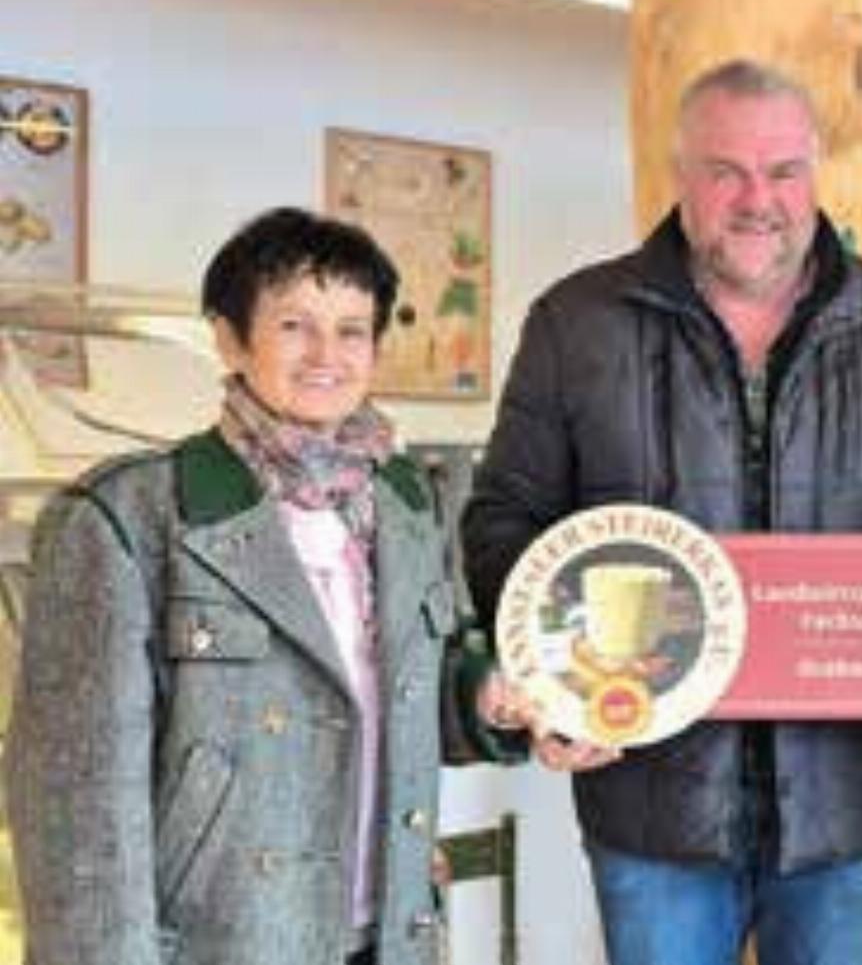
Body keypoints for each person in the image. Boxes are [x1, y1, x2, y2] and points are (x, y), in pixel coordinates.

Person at [460, 59, 862, 965]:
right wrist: (551, 677)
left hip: (848, 810)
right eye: (726, 171)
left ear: (817, 175)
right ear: (681, 175)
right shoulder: (576, 321)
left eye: (784, 171)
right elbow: (505, 521)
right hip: (652, 809)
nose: (759, 198)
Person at [4, 207, 501, 965]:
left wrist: (492, 702)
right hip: (222, 944)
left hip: (391, 937)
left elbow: (417, 700)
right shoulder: (124, 518)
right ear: (231, 339)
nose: (326, 354)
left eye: (352, 329)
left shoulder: (405, 503)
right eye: (295, 325)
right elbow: (76, 808)